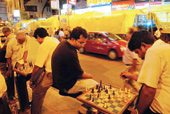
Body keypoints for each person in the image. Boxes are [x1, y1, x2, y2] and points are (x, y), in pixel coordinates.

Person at [120, 30, 170, 114]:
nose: (139, 56)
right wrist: (131, 76)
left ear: (143, 45)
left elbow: (148, 90)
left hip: (159, 109)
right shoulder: (165, 47)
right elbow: (155, 79)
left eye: (137, 52)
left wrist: (138, 111)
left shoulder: (153, 51)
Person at [52, 26, 98, 96]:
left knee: (88, 81)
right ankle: (88, 104)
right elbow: (80, 74)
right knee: (95, 85)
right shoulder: (69, 53)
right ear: (73, 39)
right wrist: (90, 76)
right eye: (81, 43)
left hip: (62, 80)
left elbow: (76, 70)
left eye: (84, 43)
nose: (83, 45)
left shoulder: (64, 43)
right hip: (66, 86)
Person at [29, 28, 60, 114]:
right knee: (40, 95)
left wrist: (31, 80)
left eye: (37, 40)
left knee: (37, 95)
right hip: (57, 72)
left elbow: (37, 66)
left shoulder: (44, 44)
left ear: (38, 36)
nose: (38, 42)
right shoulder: (54, 40)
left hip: (49, 74)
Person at [5, 30, 29, 100]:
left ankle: (22, 96)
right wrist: (10, 69)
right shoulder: (11, 43)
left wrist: (25, 62)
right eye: (20, 42)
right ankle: (11, 97)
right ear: (16, 38)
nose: (22, 43)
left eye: (23, 41)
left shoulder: (27, 39)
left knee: (21, 80)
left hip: (21, 61)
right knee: (10, 79)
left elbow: (26, 51)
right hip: (13, 61)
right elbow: (8, 57)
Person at [122, 27, 142, 92]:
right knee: (128, 82)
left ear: (131, 34)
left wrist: (132, 71)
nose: (126, 34)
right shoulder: (133, 43)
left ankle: (136, 96)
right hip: (131, 66)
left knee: (133, 83)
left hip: (131, 66)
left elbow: (135, 58)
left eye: (128, 33)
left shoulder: (131, 43)